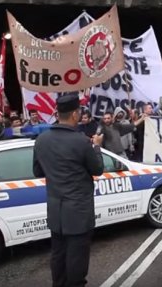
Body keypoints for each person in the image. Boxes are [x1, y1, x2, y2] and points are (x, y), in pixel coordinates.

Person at [33, 94, 104, 287]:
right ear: (74, 114)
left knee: (58, 253)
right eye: (79, 112)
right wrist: (96, 147)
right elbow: (97, 169)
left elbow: (37, 171)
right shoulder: (81, 141)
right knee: (77, 256)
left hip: (56, 209)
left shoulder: (41, 139)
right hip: (79, 210)